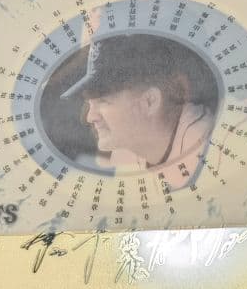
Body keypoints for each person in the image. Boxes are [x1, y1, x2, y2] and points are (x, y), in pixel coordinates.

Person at [62, 33, 220, 188]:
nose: (90, 117)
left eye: (103, 101)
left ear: (150, 102)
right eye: (90, 104)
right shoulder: (126, 149)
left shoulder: (208, 146)